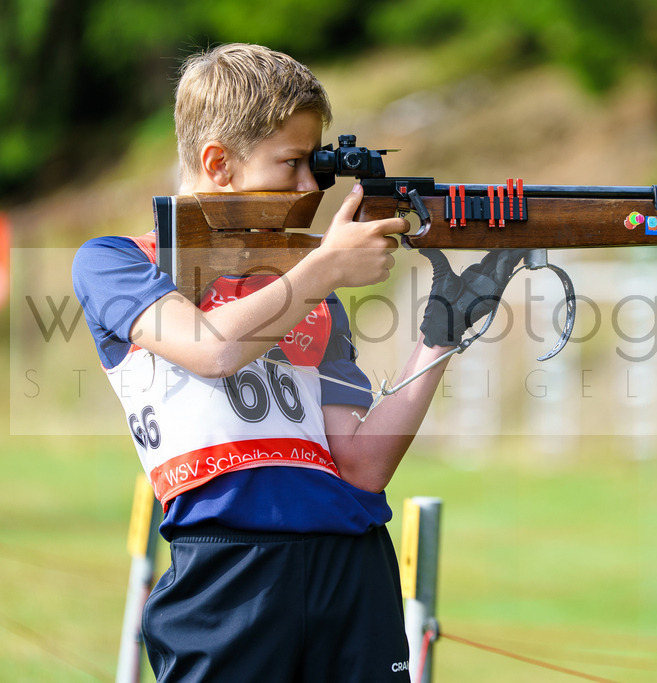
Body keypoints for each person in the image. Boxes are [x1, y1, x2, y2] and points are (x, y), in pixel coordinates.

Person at [72, 43, 521, 682]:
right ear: (218, 164)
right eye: (293, 163)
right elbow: (211, 348)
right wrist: (325, 267)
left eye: (315, 164)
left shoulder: (308, 287)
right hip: (229, 574)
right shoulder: (117, 261)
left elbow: (362, 467)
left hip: (353, 564)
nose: (311, 186)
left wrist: (441, 332)